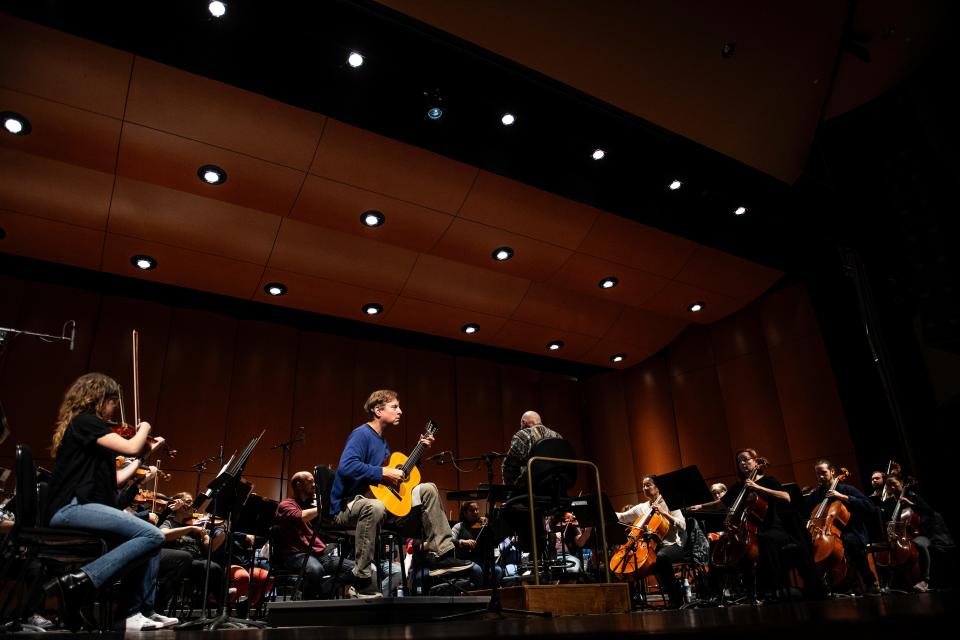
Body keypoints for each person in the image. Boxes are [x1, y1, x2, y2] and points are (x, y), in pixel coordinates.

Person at [42, 373, 170, 631]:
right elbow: (131, 446)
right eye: (113, 401)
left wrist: (144, 455)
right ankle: (79, 582)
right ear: (99, 399)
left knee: (144, 543)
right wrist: (145, 427)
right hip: (71, 507)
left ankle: (130, 612)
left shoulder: (94, 437)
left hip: (83, 508)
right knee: (153, 535)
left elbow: (118, 478)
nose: (114, 408)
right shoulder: (85, 422)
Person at [329, 390, 473, 595]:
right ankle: (361, 579)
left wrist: (419, 449)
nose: (400, 411)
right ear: (378, 410)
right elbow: (346, 467)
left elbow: (391, 482)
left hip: (381, 506)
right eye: (394, 407)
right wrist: (383, 471)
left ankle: (443, 555)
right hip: (348, 506)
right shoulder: (361, 434)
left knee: (428, 489)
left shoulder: (382, 442)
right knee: (375, 506)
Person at [689, 448, 824, 600]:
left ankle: (772, 588)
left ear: (755, 461)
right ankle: (714, 594)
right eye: (739, 461)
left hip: (773, 528)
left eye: (746, 459)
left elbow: (786, 497)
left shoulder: (769, 481)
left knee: (765, 539)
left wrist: (758, 487)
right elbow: (721, 504)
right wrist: (700, 506)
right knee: (717, 545)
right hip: (749, 530)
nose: (743, 463)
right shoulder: (740, 486)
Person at [275, 471, 367, 598]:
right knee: (316, 570)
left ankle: (323, 589)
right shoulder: (286, 505)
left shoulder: (310, 505)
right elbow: (300, 516)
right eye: (310, 481)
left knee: (358, 569)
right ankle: (307, 602)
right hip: (296, 555)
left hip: (319, 555)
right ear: (298, 485)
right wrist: (322, 506)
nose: (315, 485)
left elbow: (326, 529)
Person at [803, 459, 880, 595]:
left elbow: (870, 506)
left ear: (832, 472)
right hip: (825, 532)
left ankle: (870, 583)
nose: (820, 476)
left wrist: (843, 497)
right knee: (807, 547)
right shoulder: (818, 494)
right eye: (817, 474)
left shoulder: (846, 489)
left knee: (851, 542)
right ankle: (820, 587)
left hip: (851, 530)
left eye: (823, 473)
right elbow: (807, 512)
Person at [615, 475, 686, 606]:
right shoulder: (642, 507)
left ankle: (675, 596)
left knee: (661, 557)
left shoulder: (670, 503)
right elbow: (622, 517)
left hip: (673, 545)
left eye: (648, 485)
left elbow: (683, 525)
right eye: (643, 485)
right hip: (652, 546)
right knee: (631, 559)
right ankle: (632, 599)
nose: (645, 488)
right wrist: (605, 512)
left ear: (657, 487)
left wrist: (664, 513)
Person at [160, 492, 227, 608]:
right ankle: (214, 596)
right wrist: (190, 528)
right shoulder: (169, 522)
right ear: (178, 504)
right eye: (188, 502)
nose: (192, 505)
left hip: (197, 561)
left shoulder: (197, 524)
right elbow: (164, 535)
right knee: (206, 568)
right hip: (179, 562)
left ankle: (221, 606)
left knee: (215, 567)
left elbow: (210, 548)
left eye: (192, 502)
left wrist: (222, 533)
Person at [880, 474, 935, 592]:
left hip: (916, 534)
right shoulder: (888, 503)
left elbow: (930, 512)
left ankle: (925, 580)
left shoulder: (913, 497)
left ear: (901, 483)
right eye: (889, 485)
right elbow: (887, 521)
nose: (892, 488)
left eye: (894, 484)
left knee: (921, 545)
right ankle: (889, 583)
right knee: (883, 551)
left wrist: (911, 504)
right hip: (897, 536)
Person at [501, 411, 562, 487]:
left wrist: (509, 487)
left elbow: (509, 464)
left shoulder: (522, 434)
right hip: (557, 484)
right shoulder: (558, 436)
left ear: (523, 422)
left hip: (532, 486)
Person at [451, 501, 492, 587]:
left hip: (480, 560)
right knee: (477, 570)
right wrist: (462, 542)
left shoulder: (483, 525)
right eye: (472, 510)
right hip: (464, 560)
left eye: (477, 510)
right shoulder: (459, 526)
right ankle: (481, 594)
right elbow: (449, 540)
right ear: (465, 513)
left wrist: (490, 525)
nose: (476, 512)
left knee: (498, 570)